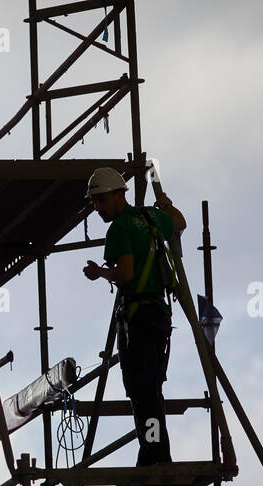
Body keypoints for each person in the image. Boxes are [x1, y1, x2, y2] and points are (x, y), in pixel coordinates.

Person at [81, 167, 187, 466]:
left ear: (119, 196)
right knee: (152, 388)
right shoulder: (150, 217)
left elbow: (125, 274)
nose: (98, 208)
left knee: (142, 391)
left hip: (138, 317)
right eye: (94, 202)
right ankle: (157, 453)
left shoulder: (119, 230)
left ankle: (154, 456)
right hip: (159, 314)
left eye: (101, 201)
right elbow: (179, 222)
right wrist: (165, 205)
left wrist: (100, 273)